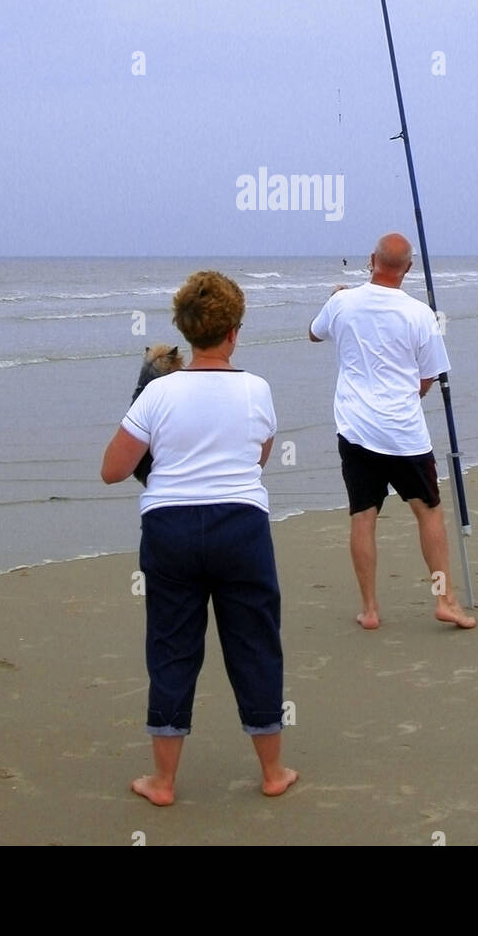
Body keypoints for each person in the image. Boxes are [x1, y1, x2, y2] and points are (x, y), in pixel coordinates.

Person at [100, 270, 297, 805]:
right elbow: (258, 458)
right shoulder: (257, 389)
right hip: (241, 525)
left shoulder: (159, 392)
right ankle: (273, 771)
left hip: (171, 528)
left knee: (171, 646)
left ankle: (163, 782)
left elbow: (113, 470)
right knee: (255, 643)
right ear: (234, 331)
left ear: (185, 331)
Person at [308, 232, 476, 632]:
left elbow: (314, 333)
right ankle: (445, 599)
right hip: (404, 432)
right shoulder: (419, 314)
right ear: (409, 268)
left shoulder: (341, 303)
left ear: (371, 259)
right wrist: (403, 399)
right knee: (428, 513)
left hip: (356, 431)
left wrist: (337, 298)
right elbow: (428, 377)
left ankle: (370, 609)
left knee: (363, 516)